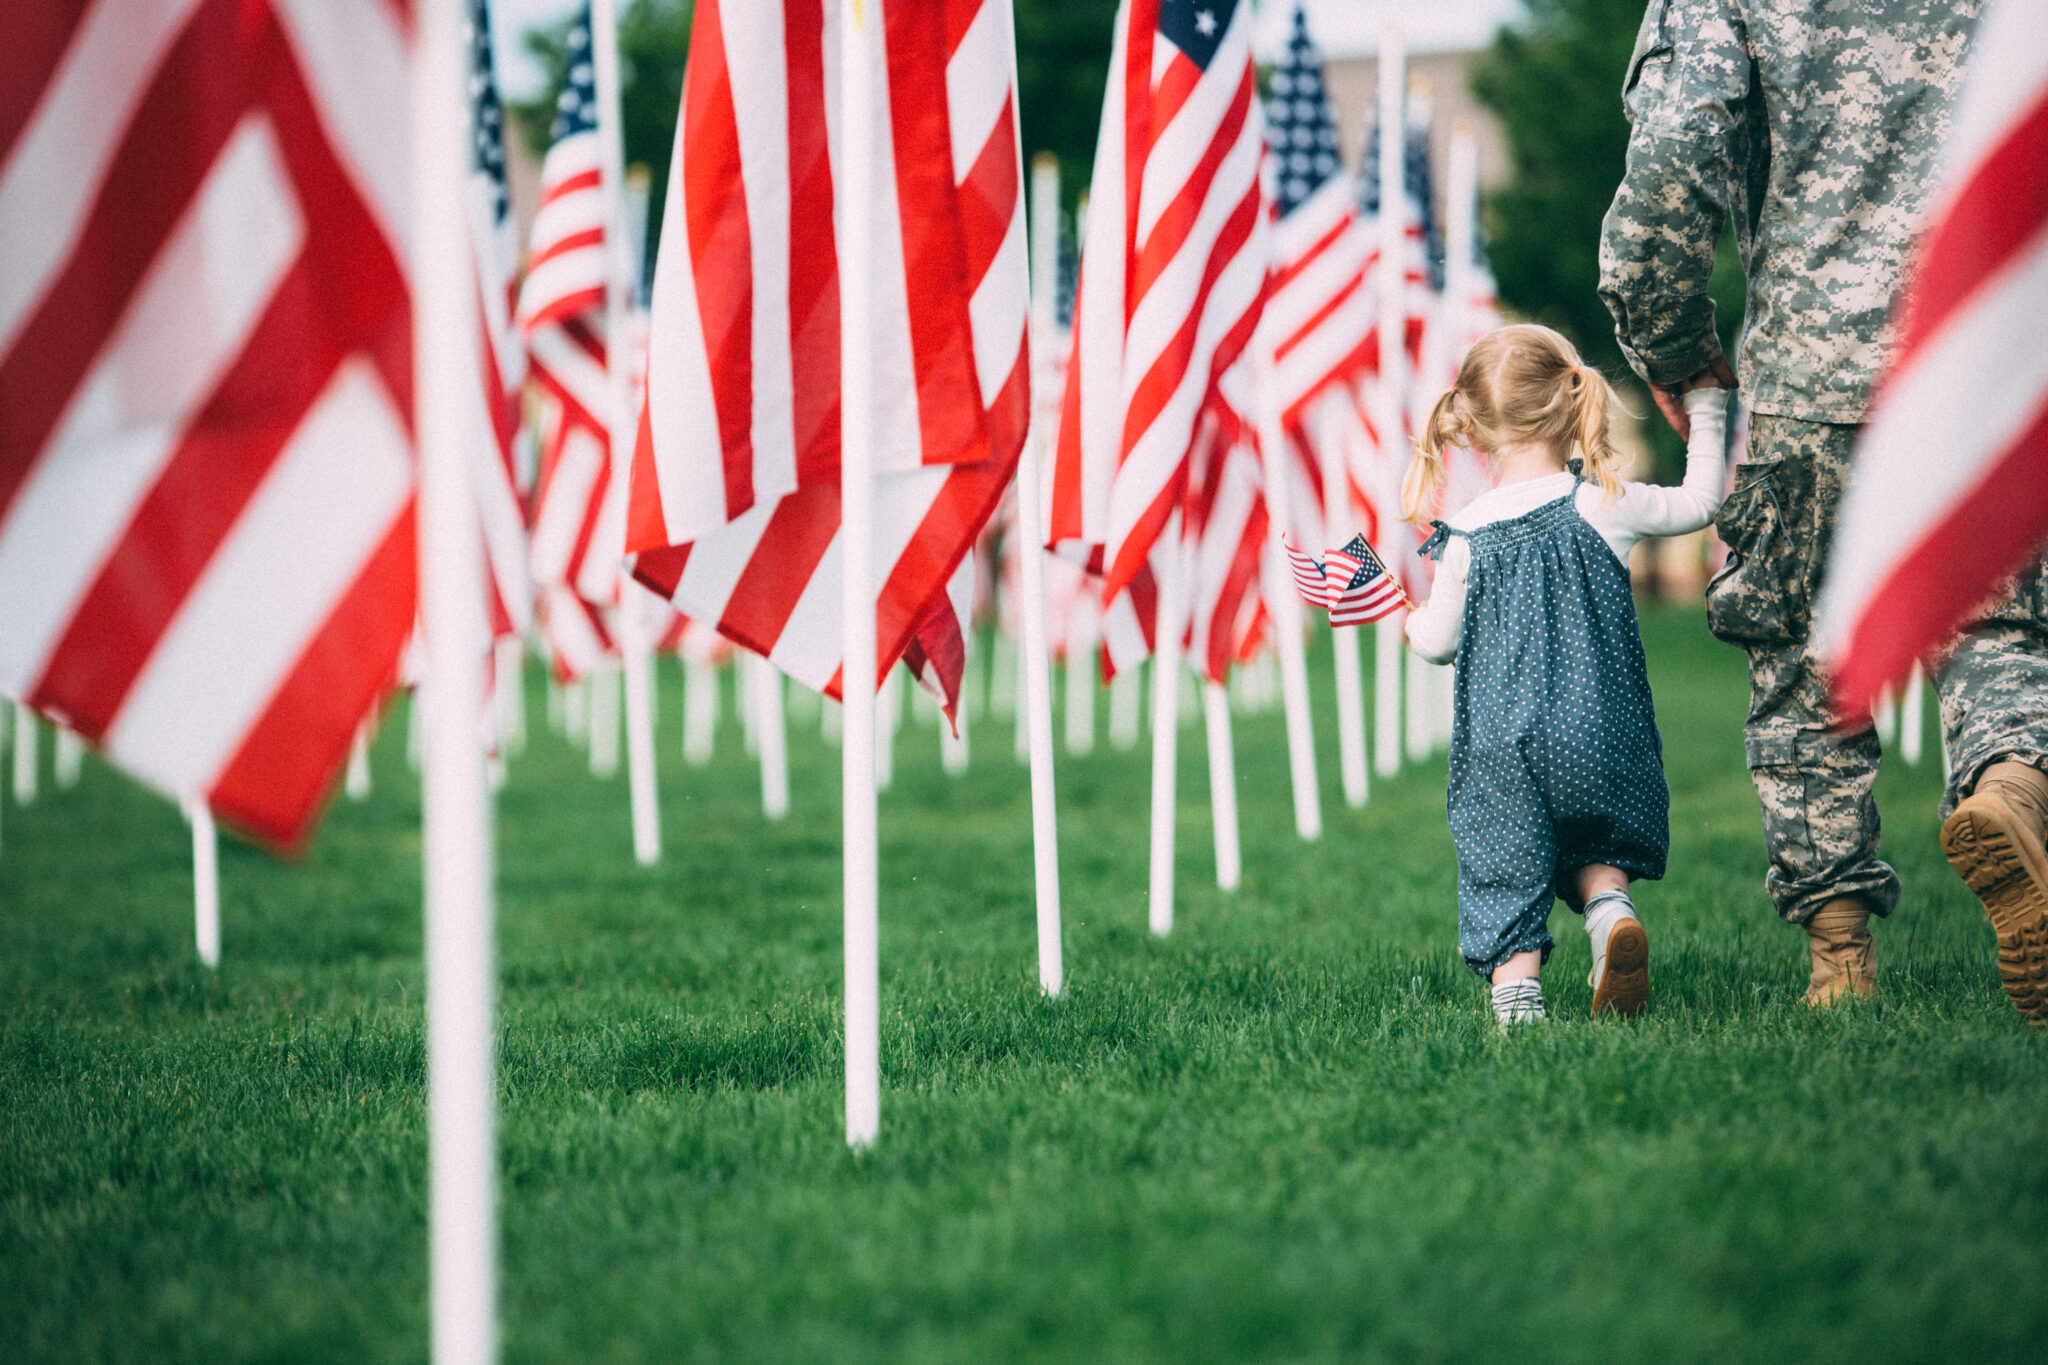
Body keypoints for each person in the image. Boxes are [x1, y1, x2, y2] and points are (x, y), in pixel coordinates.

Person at [1599, 0, 2048, 1021]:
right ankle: (2010, 786)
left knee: (1803, 658)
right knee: (2002, 625)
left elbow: (1667, 163)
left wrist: (1670, 347)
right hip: (1983, 338)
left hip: (1807, 371)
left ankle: (1837, 957)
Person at [1404, 324, 1728, 1026]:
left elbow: (1436, 644)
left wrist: (1404, 616)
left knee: (1507, 868)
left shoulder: (1465, 530)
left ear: (1476, 427)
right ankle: (1611, 918)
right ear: (1565, 400)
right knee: (1599, 848)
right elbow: (1702, 501)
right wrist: (1705, 405)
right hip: (1596, 729)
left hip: (1503, 751)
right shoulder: (1605, 501)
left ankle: (1519, 1010)